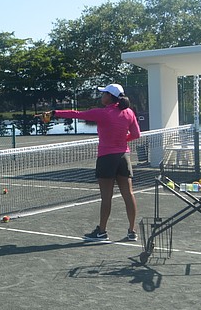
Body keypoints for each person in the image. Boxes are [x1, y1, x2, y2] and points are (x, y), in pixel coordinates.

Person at [42, 83, 141, 241]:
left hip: (107, 158)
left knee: (106, 197)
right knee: (128, 194)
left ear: (110, 96)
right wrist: (122, 140)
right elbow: (136, 134)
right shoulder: (129, 112)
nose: (101, 96)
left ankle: (101, 232)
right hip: (124, 157)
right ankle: (132, 231)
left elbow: (76, 115)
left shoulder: (103, 113)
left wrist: (54, 112)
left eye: (104, 94)